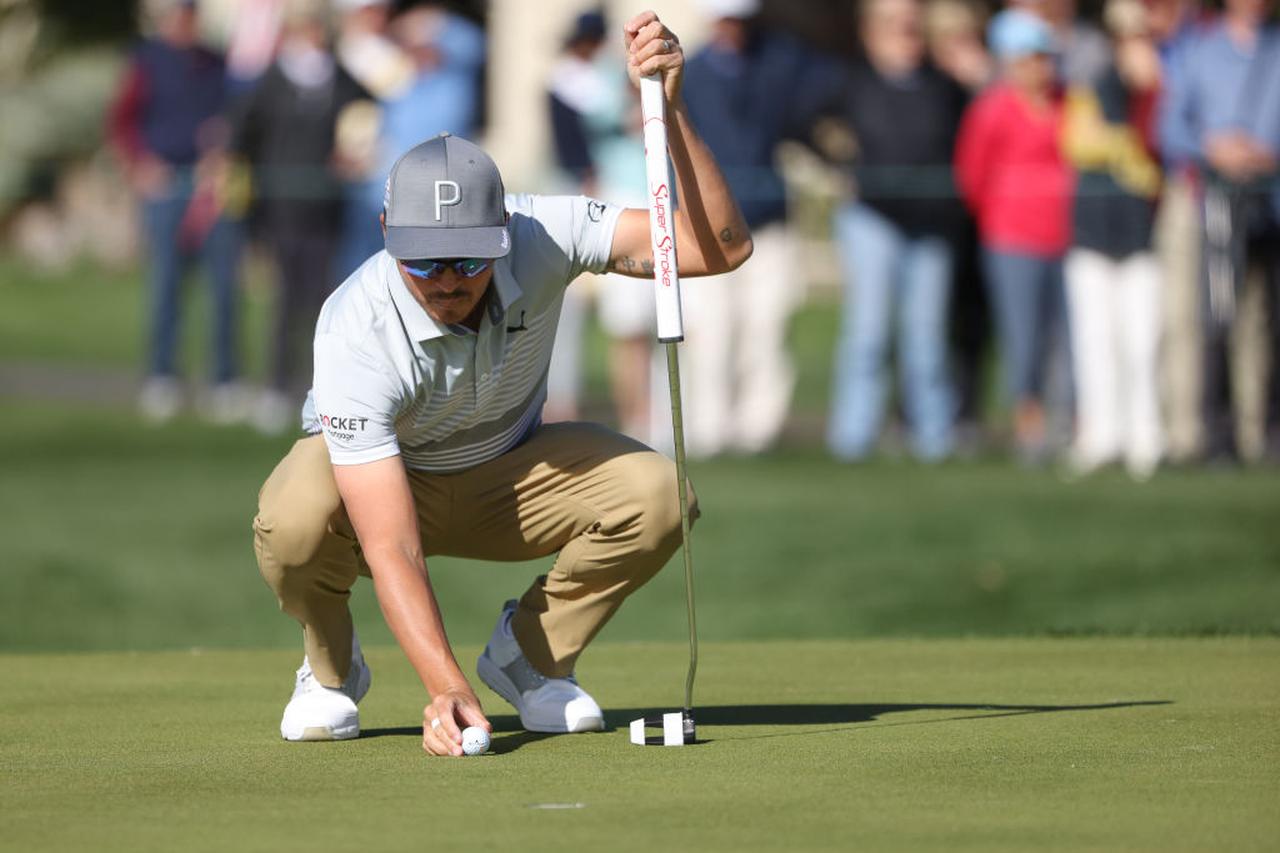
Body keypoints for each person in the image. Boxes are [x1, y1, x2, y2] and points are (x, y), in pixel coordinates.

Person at [251, 12, 752, 755]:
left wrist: (671, 111)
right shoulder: (353, 325)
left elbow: (718, 248)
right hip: (388, 488)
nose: (448, 281)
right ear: (388, 230)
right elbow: (391, 546)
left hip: (511, 475)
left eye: (469, 259)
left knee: (658, 495)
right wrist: (444, 686)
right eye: (425, 261)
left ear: (503, 232)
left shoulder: (542, 231)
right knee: (292, 517)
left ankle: (531, 656)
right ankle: (330, 670)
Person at [676, 0, 831, 457]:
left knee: (766, 328)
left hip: (767, 221)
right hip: (704, 227)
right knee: (710, 332)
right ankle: (709, 431)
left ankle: (758, 432)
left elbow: (819, 98)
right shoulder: (692, 73)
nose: (734, 29)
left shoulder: (781, 61)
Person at [825, 0, 968, 461]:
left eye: (912, 26)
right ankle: (853, 439)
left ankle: (933, 438)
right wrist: (837, 164)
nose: (905, 34)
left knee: (926, 337)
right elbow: (809, 125)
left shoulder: (943, 85)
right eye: (894, 25)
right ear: (871, 30)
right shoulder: (851, 82)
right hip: (872, 219)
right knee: (868, 333)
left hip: (930, 225)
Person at [229, 1, 374, 433]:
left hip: (327, 208)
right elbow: (242, 136)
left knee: (325, 303)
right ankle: (276, 385)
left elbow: (364, 116)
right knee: (286, 301)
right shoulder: (271, 83)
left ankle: (321, 391)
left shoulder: (340, 79)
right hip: (282, 209)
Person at [107, 0, 245, 424]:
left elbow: (235, 118)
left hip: (212, 189)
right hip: (165, 188)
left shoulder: (216, 62)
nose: (183, 23)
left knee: (223, 288)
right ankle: (163, 375)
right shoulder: (145, 60)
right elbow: (122, 122)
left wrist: (223, 148)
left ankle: (223, 380)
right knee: (166, 284)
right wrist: (142, 165)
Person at [1159, 0, 1280, 463]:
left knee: (1263, 322)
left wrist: (1264, 154)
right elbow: (1171, 130)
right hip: (1213, 206)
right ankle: (1211, 435)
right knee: (1211, 317)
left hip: (1269, 205)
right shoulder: (1199, 53)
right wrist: (1216, 148)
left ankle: (1262, 435)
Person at [954, 8, 1074, 462]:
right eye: (1030, 57)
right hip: (1012, 239)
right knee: (1023, 338)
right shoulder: (992, 109)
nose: (1039, 66)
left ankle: (1067, 424)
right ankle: (1030, 429)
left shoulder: (1069, 102)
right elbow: (973, 176)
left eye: (1044, 57)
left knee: (1065, 339)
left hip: (1065, 237)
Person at [1061, 0, 1165, 479]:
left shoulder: (1159, 90)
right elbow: (1079, 142)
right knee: (1094, 341)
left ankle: (1145, 438)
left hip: (1143, 236)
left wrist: (1145, 93)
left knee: (1141, 343)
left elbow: (1153, 161)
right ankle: (1100, 436)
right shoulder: (1089, 83)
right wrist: (1119, 141)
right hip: (1091, 230)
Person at [544, 10, 655, 439]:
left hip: (626, 208)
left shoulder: (603, 80)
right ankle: (564, 406)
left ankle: (649, 418)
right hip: (596, 211)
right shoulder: (578, 85)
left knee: (646, 327)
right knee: (581, 320)